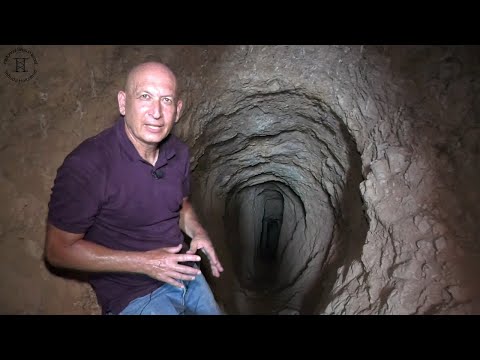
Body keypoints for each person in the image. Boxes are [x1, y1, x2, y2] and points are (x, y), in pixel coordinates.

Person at [45, 61, 224, 315]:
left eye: (166, 100)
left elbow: (181, 205)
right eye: (145, 96)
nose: (156, 112)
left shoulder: (179, 153)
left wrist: (198, 231)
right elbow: (57, 250)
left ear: (178, 110)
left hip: (187, 273)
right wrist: (147, 263)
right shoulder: (88, 165)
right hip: (134, 293)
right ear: (122, 102)